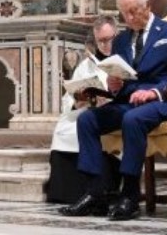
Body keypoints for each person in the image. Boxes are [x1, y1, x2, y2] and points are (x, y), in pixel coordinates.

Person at [60, 0, 167, 221]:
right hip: (129, 100)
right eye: (125, 13)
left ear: (148, 6)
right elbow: (125, 76)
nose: (129, 18)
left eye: (134, 12)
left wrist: (153, 92)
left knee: (133, 119)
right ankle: (95, 192)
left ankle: (130, 195)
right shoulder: (121, 40)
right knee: (88, 119)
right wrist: (115, 85)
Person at [46, 15, 119, 204]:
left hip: (111, 112)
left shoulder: (123, 61)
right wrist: (76, 101)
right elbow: (68, 98)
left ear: (116, 35)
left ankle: (98, 189)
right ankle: (65, 193)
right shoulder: (86, 65)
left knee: (87, 125)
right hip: (85, 109)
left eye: (108, 39)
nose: (104, 45)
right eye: (100, 41)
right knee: (64, 129)